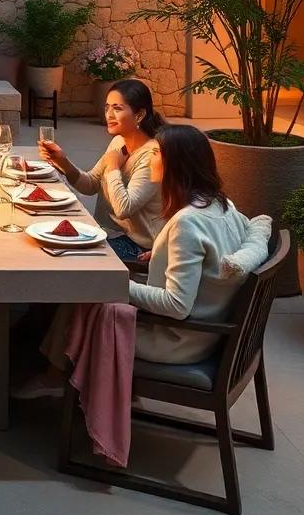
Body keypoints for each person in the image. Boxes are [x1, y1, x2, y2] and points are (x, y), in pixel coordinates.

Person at [14, 123, 272, 397]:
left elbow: (176, 305)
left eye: (157, 153)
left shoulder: (188, 222)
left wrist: (112, 284)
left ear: (177, 164)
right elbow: (212, 255)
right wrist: (163, 254)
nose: (150, 158)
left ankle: (56, 376)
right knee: (88, 288)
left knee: (84, 296)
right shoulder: (220, 204)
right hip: (209, 330)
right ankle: (51, 365)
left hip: (176, 339)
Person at [38, 78, 164, 263]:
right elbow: (90, 184)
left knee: (66, 255)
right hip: (109, 233)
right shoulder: (119, 142)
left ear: (139, 115)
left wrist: (113, 167)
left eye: (117, 108)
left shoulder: (152, 155)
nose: (109, 114)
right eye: (107, 107)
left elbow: (124, 208)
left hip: (138, 245)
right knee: (49, 237)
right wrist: (63, 162)